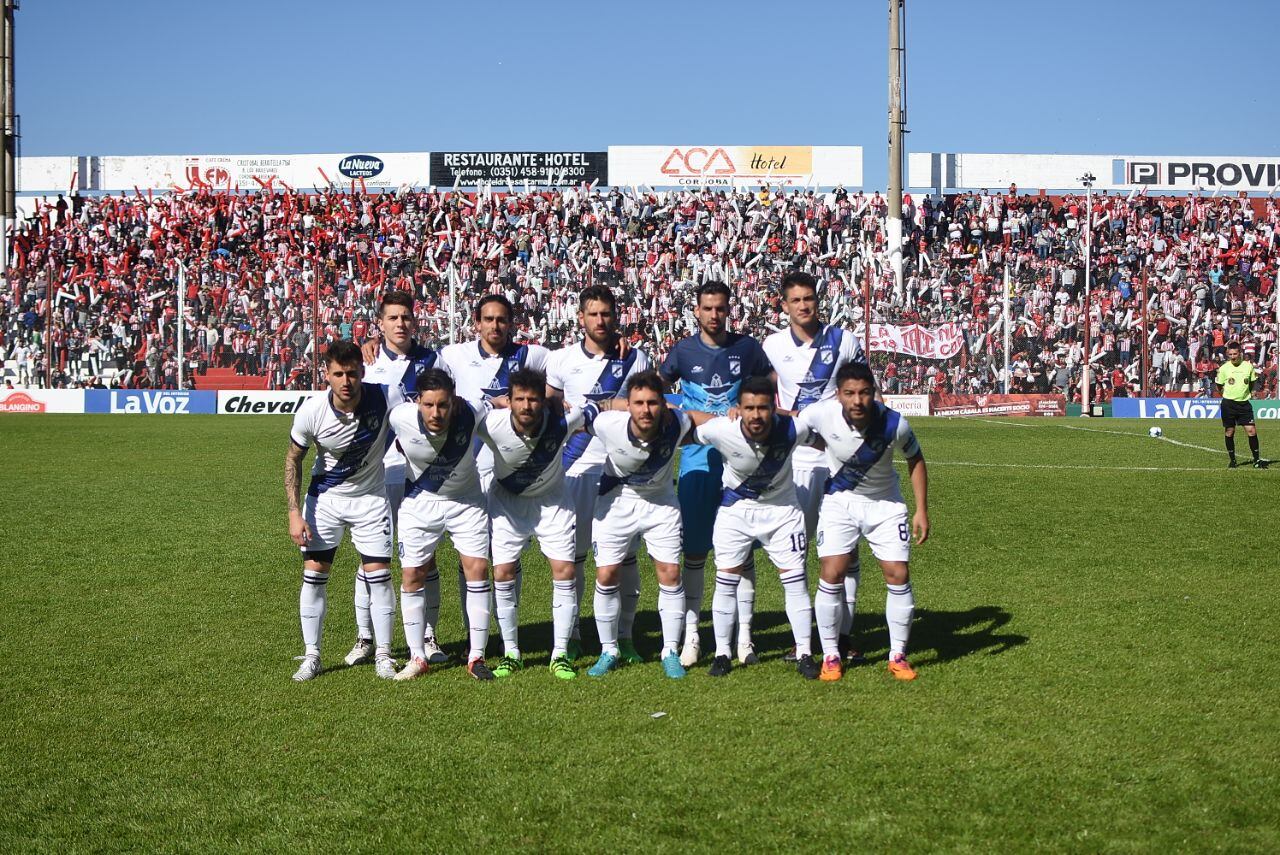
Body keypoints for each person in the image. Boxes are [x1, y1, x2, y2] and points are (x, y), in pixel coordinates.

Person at [659, 281, 772, 667]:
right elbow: (655, 391)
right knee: (694, 552)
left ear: (729, 310)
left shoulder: (747, 348)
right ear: (696, 311)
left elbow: (769, 385)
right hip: (695, 461)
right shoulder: (682, 351)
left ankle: (745, 640)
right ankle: (693, 637)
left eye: (720, 308)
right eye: (707, 308)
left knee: (742, 554)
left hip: (740, 463)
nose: (714, 315)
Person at [797, 362, 929, 682]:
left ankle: (897, 655)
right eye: (849, 393)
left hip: (885, 504)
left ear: (874, 392)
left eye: (864, 393)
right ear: (838, 395)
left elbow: (915, 459)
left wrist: (921, 509)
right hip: (840, 503)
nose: (857, 400)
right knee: (832, 571)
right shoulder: (819, 414)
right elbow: (789, 426)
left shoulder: (894, 424)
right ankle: (831, 654)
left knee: (897, 573)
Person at [479, 368, 614, 680]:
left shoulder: (562, 421)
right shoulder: (491, 424)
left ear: (544, 400)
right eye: (520, 399)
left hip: (553, 502)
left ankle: (561, 654)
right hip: (507, 504)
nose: (527, 406)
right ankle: (511, 651)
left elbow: (599, 406)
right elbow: (461, 416)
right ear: (509, 401)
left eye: (534, 400)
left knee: (565, 571)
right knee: (502, 572)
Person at [684, 375, 822, 679]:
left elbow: (826, 441)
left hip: (783, 513)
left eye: (763, 408)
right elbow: (685, 426)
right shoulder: (722, 430)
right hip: (736, 513)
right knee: (726, 581)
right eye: (750, 408)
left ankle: (805, 652)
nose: (756, 415)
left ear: (774, 408)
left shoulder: (792, 429)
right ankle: (722, 653)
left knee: (795, 582)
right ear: (739, 408)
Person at [763, 271, 868, 664]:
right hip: (801, 461)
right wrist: (793, 419)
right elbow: (758, 396)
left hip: (842, 458)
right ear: (784, 305)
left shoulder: (844, 341)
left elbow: (863, 390)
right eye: (796, 300)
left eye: (810, 298)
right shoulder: (772, 346)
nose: (804, 306)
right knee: (797, 550)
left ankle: (843, 635)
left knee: (846, 550)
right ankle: (804, 639)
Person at [546, 285, 651, 663]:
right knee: (572, 558)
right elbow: (550, 408)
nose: (601, 320)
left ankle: (624, 637)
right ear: (581, 318)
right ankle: (572, 634)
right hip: (572, 469)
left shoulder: (636, 360)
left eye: (607, 314)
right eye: (594, 314)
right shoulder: (559, 361)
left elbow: (646, 407)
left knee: (624, 558)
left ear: (617, 317)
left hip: (619, 470)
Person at [439, 293, 550, 638]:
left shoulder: (532, 355)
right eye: (488, 319)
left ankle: (507, 631)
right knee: (470, 555)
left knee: (508, 556)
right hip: (468, 471)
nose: (495, 326)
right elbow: (430, 389)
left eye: (502, 319)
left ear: (511, 323)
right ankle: (475, 628)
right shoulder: (453, 356)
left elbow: (571, 370)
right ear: (476, 323)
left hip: (509, 472)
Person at [285, 340, 396, 682]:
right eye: (338, 374)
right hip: (325, 503)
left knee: (379, 578)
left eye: (351, 373)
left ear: (362, 373)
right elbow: (293, 459)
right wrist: (293, 512)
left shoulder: (386, 398)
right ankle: (312, 655)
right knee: (315, 576)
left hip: (371, 500)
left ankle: (384, 655)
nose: (345, 381)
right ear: (326, 375)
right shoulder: (311, 411)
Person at [350, 292, 444, 668]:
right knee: (371, 557)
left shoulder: (434, 361)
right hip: (378, 471)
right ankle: (365, 637)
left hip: (421, 473)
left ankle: (428, 636)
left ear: (414, 321)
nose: (400, 323)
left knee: (426, 556)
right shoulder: (367, 364)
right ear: (380, 324)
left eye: (406, 316)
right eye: (393, 318)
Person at [583, 370, 694, 679]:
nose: (646, 410)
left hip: (661, 504)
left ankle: (670, 650)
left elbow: (698, 418)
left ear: (665, 404)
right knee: (606, 574)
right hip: (616, 501)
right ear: (628, 405)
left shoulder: (677, 424)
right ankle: (609, 650)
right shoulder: (608, 425)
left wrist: (730, 413)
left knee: (670, 573)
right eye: (638, 403)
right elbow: (578, 419)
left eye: (653, 403)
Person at [386, 369, 493, 681]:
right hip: (419, 503)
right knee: (412, 575)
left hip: (467, 501)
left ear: (454, 401)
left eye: (443, 405)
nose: (436, 413)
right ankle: (417, 657)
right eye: (429, 405)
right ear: (417, 402)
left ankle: (476, 657)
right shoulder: (400, 417)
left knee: (477, 569)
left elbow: (500, 409)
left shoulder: (472, 412)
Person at [1215, 341, 1263, 469]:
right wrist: (1225, 395)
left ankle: (1257, 460)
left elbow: (1252, 383)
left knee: (1251, 431)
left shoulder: (1248, 367)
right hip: (1228, 404)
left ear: (1240, 353)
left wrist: (1246, 393)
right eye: (1230, 354)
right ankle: (1233, 460)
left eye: (1235, 354)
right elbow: (1219, 385)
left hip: (1244, 405)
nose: (1233, 357)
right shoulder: (1224, 368)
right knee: (1229, 432)